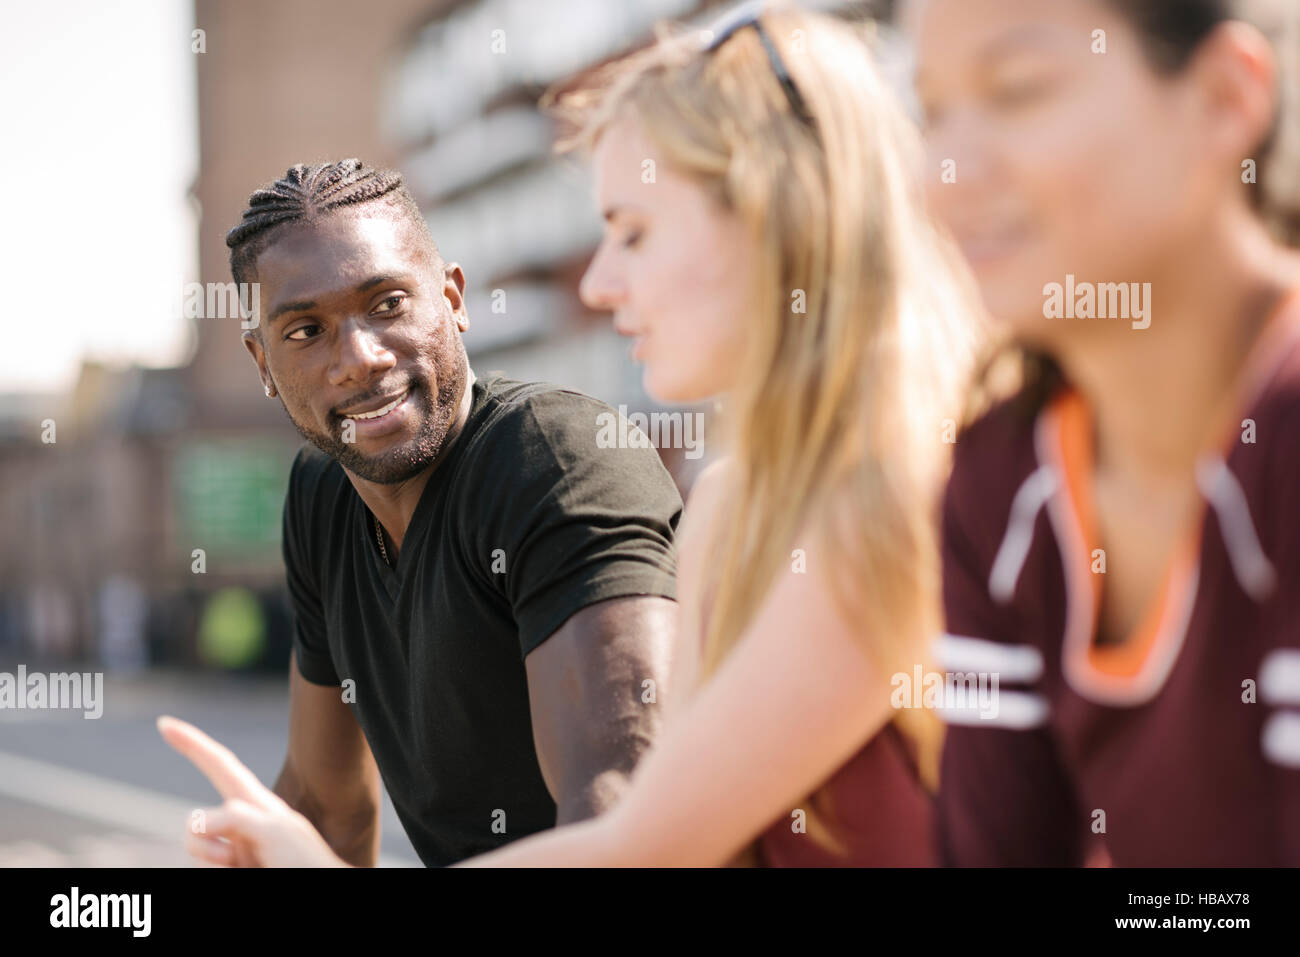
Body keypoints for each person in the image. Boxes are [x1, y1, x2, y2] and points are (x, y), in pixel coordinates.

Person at [162, 2, 981, 867]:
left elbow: (636, 840)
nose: (598, 280)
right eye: (304, 332)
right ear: (261, 358)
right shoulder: (734, 507)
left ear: (775, 218)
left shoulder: (906, 498)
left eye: (634, 230)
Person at [159, 158, 683, 867]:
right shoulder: (321, 493)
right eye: (306, 331)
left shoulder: (555, 460)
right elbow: (325, 808)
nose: (360, 358)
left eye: (387, 304)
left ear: (454, 298)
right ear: (263, 364)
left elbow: (621, 822)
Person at [906, 0, 1300, 864]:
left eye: (1018, 91)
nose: (945, 173)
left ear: (1227, 97)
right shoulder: (997, 477)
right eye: (932, 113)